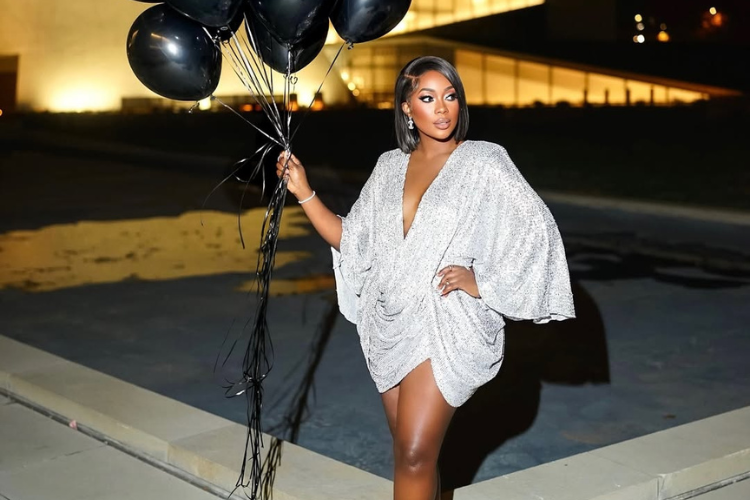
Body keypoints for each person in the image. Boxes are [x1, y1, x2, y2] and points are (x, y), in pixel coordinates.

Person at [276, 56, 575, 500]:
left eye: (450, 96)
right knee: (412, 455)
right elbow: (354, 241)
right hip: (389, 322)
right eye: (428, 98)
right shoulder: (388, 167)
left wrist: (482, 281)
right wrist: (304, 191)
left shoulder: (484, 161)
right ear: (405, 108)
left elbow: (537, 232)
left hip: (445, 322)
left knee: (415, 452)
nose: (442, 109)